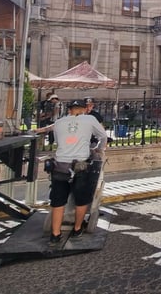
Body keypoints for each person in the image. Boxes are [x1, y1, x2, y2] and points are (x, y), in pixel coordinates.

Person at [48, 99, 107, 245]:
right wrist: (99, 149)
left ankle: (55, 234)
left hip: (60, 164)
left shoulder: (59, 122)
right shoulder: (90, 119)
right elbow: (103, 136)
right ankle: (77, 228)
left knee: (58, 200)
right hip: (80, 164)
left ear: (69, 110)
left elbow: (57, 141)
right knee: (82, 199)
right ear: (84, 109)